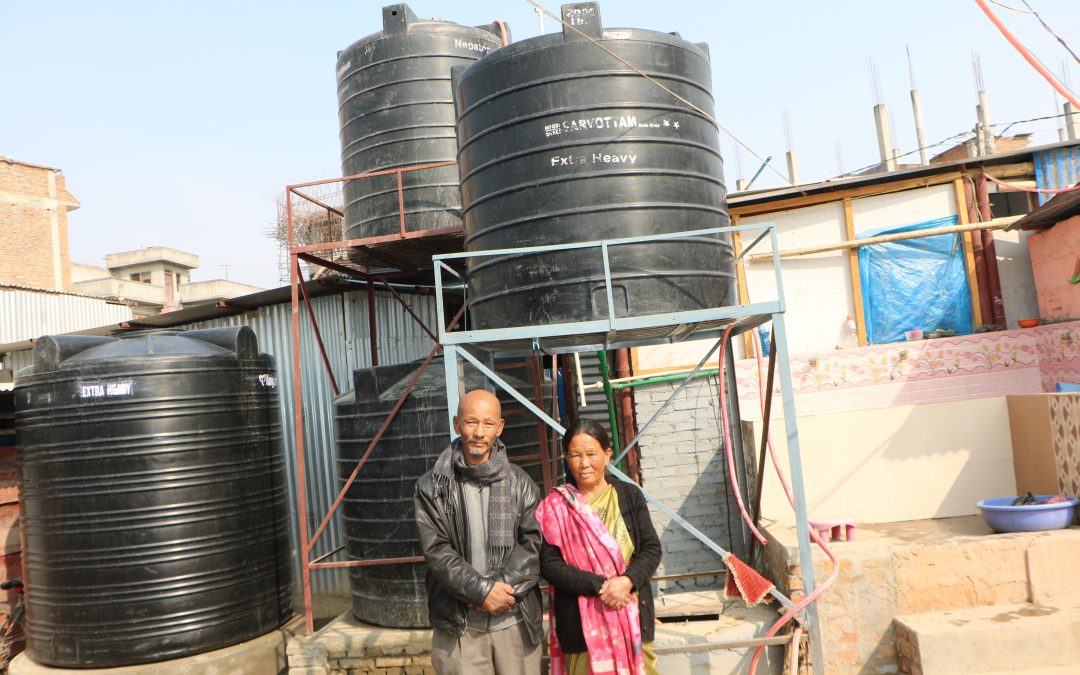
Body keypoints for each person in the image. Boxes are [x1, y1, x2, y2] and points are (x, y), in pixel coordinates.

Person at [414, 389, 543, 675]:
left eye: (488, 423)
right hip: (460, 627)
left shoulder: (521, 483)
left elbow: (532, 545)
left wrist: (497, 591)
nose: (479, 432)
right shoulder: (432, 487)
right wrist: (481, 592)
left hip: (514, 622)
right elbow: (437, 551)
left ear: (500, 427)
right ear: (456, 424)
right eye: (471, 422)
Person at [536, 419, 662, 675]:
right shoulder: (556, 506)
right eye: (575, 455)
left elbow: (651, 549)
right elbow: (549, 565)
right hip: (579, 625)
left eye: (591, 454)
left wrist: (627, 581)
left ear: (607, 454)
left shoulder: (629, 495)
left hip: (631, 613)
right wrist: (602, 586)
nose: (584, 463)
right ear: (566, 457)